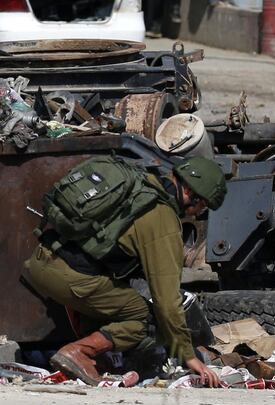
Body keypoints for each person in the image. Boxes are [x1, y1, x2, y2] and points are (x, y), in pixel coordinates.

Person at [22, 157, 227, 387]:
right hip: (72, 277)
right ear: (189, 190)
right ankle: (78, 353)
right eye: (202, 205)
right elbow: (167, 301)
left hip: (44, 259)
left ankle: (93, 363)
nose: (198, 213)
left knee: (115, 304)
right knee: (141, 316)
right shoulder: (162, 218)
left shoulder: (141, 186)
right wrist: (188, 355)